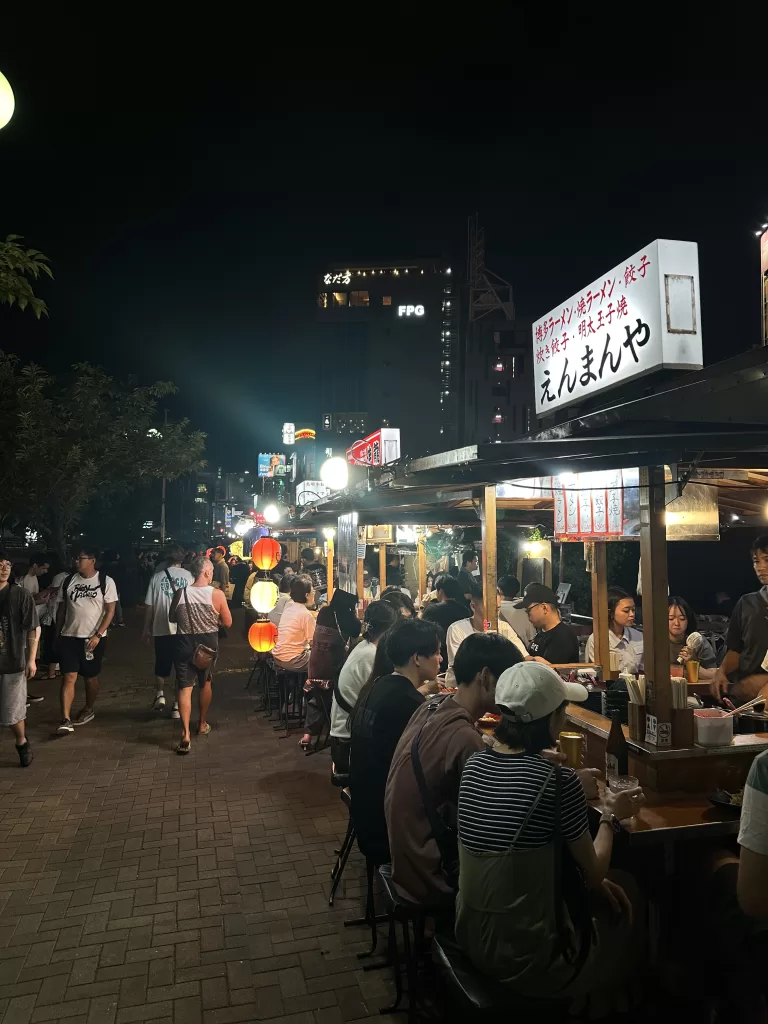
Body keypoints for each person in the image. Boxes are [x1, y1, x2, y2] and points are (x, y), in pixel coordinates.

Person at [456, 661, 645, 1005]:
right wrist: (611, 816)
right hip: (529, 962)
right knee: (631, 894)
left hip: (472, 939)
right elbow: (595, 872)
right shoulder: (558, 782)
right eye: (563, 711)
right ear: (553, 720)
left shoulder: (475, 764)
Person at [386, 632, 524, 908]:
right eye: (507, 681)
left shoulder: (430, 707)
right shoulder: (463, 737)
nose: (512, 691)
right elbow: (500, 812)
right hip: (431, 873)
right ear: (485, 677)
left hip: (405, 856)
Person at [349, 618, 443, 865]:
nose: (441, 659)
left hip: (365, 816)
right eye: (436, 652)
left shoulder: (378, 686)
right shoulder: (406, 705)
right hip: (387, 830)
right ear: (417, 659)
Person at [170, 555, 232, 754]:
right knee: (205, 682)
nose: (212, 573)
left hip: (183, 644)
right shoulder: (217, 594)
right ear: (206, 572)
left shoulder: (181, 593)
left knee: (184, 688)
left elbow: (172, 617)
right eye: (211, 571)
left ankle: (185, 733)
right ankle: (202, 723)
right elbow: (228, 622)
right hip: (207, 646)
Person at [55, 546, 118, 733]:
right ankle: (65, 718)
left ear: (92, 560)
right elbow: (62, 610)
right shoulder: (68, 581)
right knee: (69, 676)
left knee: (90, 678)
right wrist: (57, 633)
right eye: (76, 558)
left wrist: (98, 634)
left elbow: (110, 611)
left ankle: (89, 707)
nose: (76, 561)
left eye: (80, 558)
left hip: (92, 639)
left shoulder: (105, 581)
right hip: (69, 636)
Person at [330, 601, 397, 772]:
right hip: (348, 742)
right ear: (391, 628)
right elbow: (382, 699)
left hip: (343, 734)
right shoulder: (371, 655)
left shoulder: (362, 645)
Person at [302, 589, 361, 751]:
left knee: (317, 694)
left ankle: (308, 734)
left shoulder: (324, 612)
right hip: (331, 672)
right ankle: (341, 728)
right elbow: (354, 647)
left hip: (313, 667)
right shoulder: (352, 621)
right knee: (347, 685)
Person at [713, 536, 768, 702]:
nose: (761, 567)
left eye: (766, 560)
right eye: (756, 561)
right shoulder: (746, 603)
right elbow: (735, 649)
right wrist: (722, 671)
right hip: (745, 692)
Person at [142, 546, 193, 715]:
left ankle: (160, 695)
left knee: (161, 664)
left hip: (160, 627)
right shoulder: (189, 577)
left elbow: (149, 606)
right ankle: (177, 705)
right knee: (181, 667)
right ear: (183, 559)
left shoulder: (156, 578)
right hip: (183, 630)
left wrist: (146, 629)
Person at [445, 584, 527, 686]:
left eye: (497, 608)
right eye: (489, 610)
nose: (494, 614)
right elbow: (463, 668)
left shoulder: (504, 627)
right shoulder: (457, 629)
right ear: (473, 606)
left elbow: (522, 657)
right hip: (462, 689)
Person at [0, 552, 39, 766]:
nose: (4, 568)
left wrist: (31, 659)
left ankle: (21, 741)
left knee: (12, 711)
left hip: (12, 662)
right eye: (0, 564)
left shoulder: (20, 595)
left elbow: (33, 628)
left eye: (7, 564)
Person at [516, 583, 580, 664]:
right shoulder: (542, 631)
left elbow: (550, 673)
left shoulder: (563, 636)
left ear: (544, 608)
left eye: (529, 611)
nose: (528, 616)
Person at [585, 588, 644, 673]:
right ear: (610, 612)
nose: (632, 614)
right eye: (626, 611)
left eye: (633, 610)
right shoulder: (597, 640)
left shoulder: (638, 636)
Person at [667, 595, 717, 684]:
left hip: (692, 691)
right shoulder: (656, 641)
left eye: (682, 619)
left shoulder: (698, 641)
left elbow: (714, 674)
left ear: (688, 620)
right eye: (671, 618)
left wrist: (691, 663)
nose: (677, 623)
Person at [272, 575, 315, 672]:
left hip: (278, 656)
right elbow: (313, 643)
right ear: (307, 595)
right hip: (293, 661)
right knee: (324, 660)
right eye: (313, 592)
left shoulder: (289, 608)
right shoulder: (306, 615)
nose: (314, 594)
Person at [497, 575, 537, 648]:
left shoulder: (494, 608)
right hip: (523, 652)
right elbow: (532, 636)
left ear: (500, 590)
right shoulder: (526, 608)